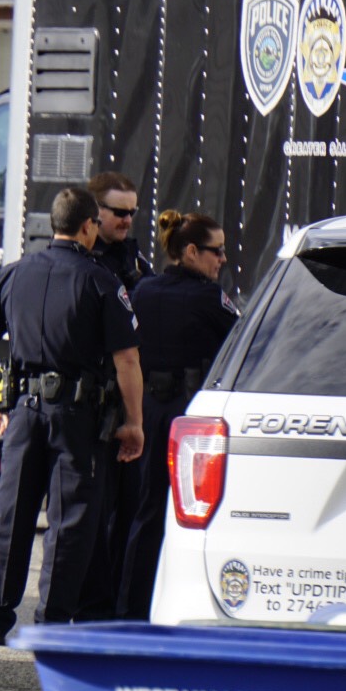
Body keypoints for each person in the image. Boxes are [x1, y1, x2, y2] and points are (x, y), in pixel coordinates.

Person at [0, 187, 145, 644]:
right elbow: (127, 359)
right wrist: (134, 423)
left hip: (23, 412)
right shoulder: (101, 280)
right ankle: (50, 622)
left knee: (13, 516)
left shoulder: (14, 273)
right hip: (76, 416)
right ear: (88, 226)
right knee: (70, 523)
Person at [115, 210, 240, 620]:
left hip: (148, 411)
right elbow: (243, 346)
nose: (222, 259)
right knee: (202, 515)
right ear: (190, 251)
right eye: (215, 250)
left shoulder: (144, 289)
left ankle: (131, 610)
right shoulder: (209, 298)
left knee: (147, 512)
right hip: (190, 419)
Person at [78, 172, 152, 619]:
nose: (127, 220)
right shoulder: (87, 263)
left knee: (128, 512)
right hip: (96, 402)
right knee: (94, 518)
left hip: (126, 399)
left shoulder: (133, 259)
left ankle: (117, 610)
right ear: (94, 214)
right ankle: (91, 609)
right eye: (118, 212)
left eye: (132, 212)